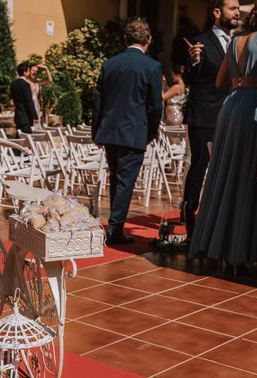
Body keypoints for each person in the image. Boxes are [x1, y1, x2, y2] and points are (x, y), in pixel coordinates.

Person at [189, 0, 257, 269]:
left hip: (229, 107)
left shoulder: (237, 40)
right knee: (250, 178)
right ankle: (241, 251)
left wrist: (239, 84)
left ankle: (214, 245)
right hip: (255, 107)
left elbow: (219, 81)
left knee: (223, 175)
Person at [92, 19, 163, 246]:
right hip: (133, 133)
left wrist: (96, 131)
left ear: (125, 40)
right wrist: (151, 132)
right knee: (125, 182)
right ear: (149, 40)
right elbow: (155, 106)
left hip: (110, 132)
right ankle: (114, 230)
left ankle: (115, 225)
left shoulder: (109, 64)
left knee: (117, 179)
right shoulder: (152, 67)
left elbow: (98, 101)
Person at [182, 0, 241, 238]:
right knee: (199, 168)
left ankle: (219, 225)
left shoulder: (240, 43)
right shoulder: (200, 42)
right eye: (232, 8)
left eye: (238, 8)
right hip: (205, 117)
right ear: (217, 12)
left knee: (228, 172)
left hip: (233, 118)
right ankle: (190, 222)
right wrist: (194, 61)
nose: (237, 12)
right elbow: (193, 78)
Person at [10, 62, 38, 134]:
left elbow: (12, 99)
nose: (29, 73)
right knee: (27, 138)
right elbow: (29, 101)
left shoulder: (14, 84)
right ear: (25, 72)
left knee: (19, 137)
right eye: (28, 71)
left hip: (18, 116)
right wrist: (34, 115)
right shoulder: (25, 84)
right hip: (26, 117)